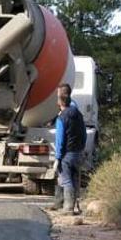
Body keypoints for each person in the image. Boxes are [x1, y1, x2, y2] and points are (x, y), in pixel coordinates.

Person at [50, 83, 87, 214]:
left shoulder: (61, 118)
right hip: (78, 152)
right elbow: (84, 133)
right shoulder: (78, 114)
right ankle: (65, 204)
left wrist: (57, 158)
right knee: (74, 179)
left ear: (60, 100)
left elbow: (60, 140)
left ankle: (68, 208)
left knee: (66, 180)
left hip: (67, 154)